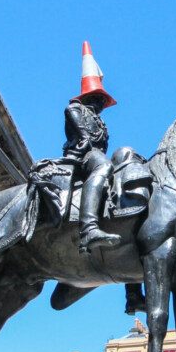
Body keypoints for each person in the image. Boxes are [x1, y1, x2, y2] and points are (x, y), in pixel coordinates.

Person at [64, 41, 122, 252]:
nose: (100, 103)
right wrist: (83, 135)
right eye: (98, 98)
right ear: (88, 97)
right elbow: (72, 114)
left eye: (102, 100)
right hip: (83, 156)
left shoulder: (100, 122)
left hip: (95, 155)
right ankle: (89, 227)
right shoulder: (76, 108)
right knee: (103, 167)